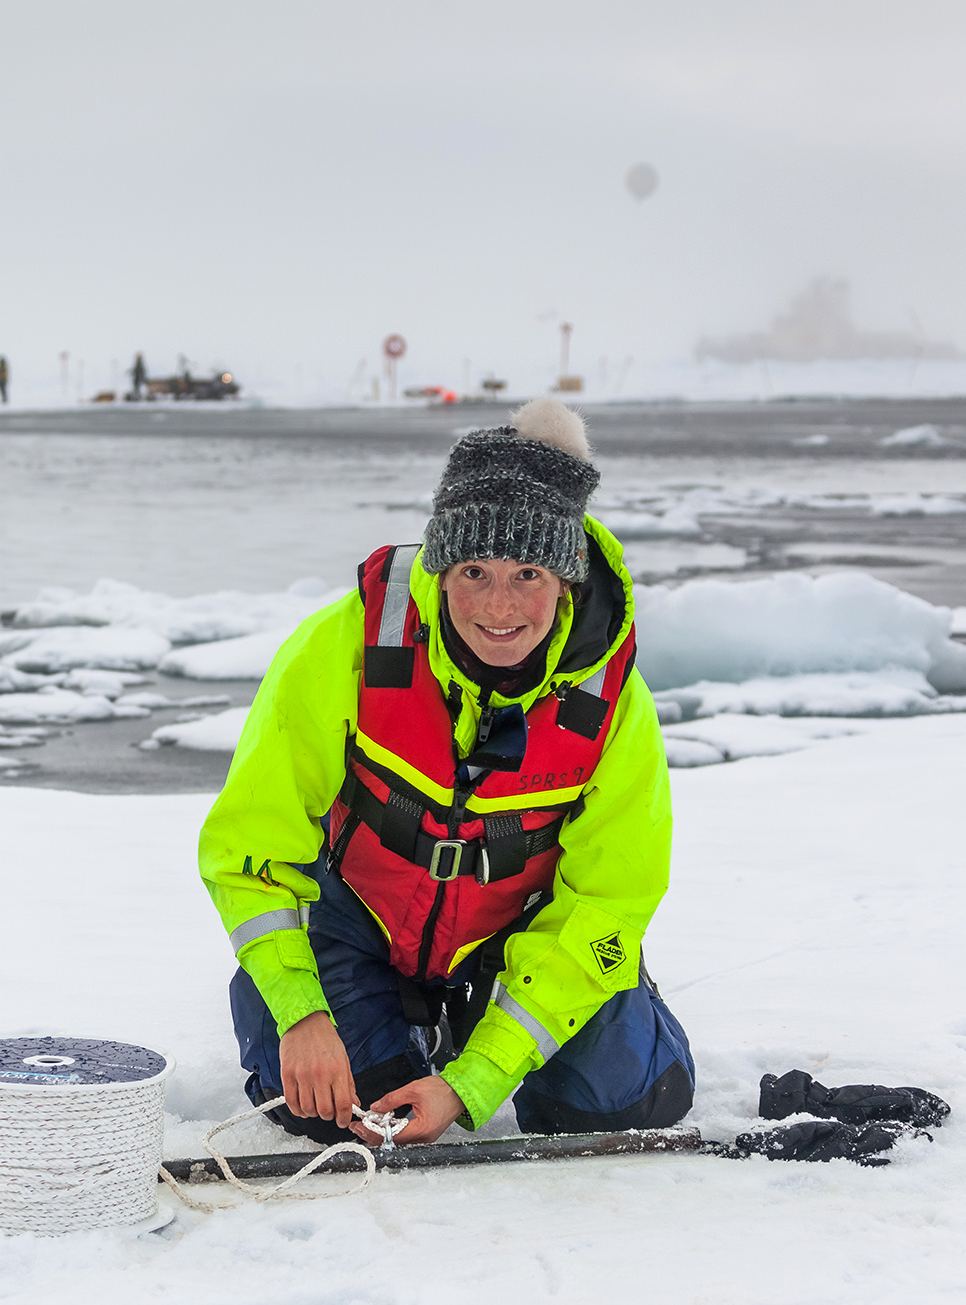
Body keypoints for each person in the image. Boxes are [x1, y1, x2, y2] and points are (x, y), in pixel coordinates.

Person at [199, 399, 693, 1147]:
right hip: (359, 924)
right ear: (441, 566)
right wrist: (300, 1013)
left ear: (562, 578)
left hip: (516, 937)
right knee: (333, 1109)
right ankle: (382, 1023)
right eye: (473, 571)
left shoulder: (610, 701)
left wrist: (477, 1079)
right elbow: (249, 852)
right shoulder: (343, 646)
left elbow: (608, 898)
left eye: (527, 572)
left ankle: (538, 1021)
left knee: (620, 1101)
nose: (500, 606)